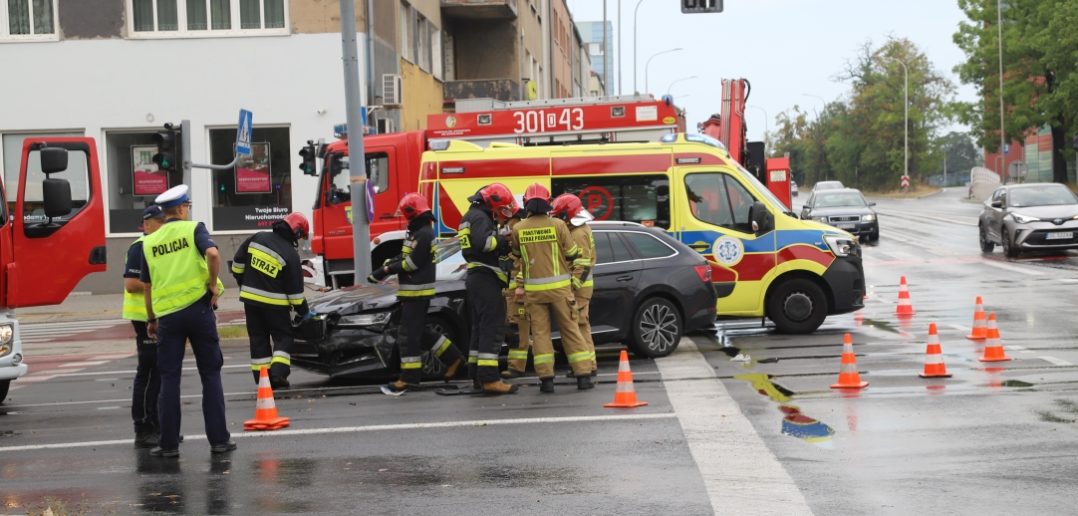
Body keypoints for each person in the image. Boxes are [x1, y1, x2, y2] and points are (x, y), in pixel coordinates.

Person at [141, 184, 234, 458]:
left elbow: (146, 286)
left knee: (169, 379)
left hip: (168, 316)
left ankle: (168, 444)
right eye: (187, 207)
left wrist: (151, 319)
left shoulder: (150, 242)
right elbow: (213, 253)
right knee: (210, 374)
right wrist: (213, 285)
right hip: (198, 310)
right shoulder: (194, 229)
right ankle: (218, 441)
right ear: (181, 209)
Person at [368, 193, 465, 392]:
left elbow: (412, 263)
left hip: (417, 292)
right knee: (421, 333)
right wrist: (388, 263)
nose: (406, 219)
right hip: (412, 292)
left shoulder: (424, 233)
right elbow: (405, 256)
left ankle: (409, 377)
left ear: (413, 213)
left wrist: (386, 270)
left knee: (408, 335)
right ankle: (454, 359)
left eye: (407, 215)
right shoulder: (416, 231)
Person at [511, 184, 594, 392]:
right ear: (547, 202)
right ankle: (583, 376)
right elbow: (574, 254)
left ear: (526, 203)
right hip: (561, 292)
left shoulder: (518, 229)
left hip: (534, 293)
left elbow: (517, 258)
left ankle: (546, 380)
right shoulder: (558, 225)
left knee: (540, 335)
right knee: (571, 330)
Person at [231, 212, 311, 389]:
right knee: (284, 338)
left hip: (250, 302)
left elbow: (237, 264)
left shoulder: (257, 237)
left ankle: (263, 379)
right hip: (276, 307)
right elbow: (296, 294)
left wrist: (243, 282)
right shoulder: (290, 254)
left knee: (258, 339)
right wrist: (305, 312)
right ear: (297, 233)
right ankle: (277, 374)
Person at [460, 183, 518, 395]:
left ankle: (477, 375)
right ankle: (490, 379)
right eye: (500, 208)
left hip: (477, 278)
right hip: (485, 278)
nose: (500, 214)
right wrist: (504, 239)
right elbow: (484, 244)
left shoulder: (469, 216)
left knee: (479, 329)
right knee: (492, 328)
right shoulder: (480, 218)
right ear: (492, 203)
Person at [122, 204, 166, 448]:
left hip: (155, 315)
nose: (163, 225)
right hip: (142, 318)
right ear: (147, 223)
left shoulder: (155, 245)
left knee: (158, 372)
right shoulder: (140, 246)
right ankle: (143, 426)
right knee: (148, 371)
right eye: (159, 221)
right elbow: (131, 283)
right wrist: (159, 283)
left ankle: (156, 424)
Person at [551, 193, 598, 377]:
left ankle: (584, 365)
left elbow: (582, 265)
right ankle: (590, 363)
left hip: (579, 287)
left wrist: (571, 287)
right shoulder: (579, 228)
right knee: (582, 325)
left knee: (576, 327)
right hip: (583, 286)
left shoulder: (578, 233)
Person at [501, 199, 531, 379]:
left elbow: (522, 261)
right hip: (511, 290)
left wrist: (519, 286)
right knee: (518, 327)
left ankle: (516, 367)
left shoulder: (516, 227)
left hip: (518, 291)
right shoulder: (511, 225)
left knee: (518, 327)